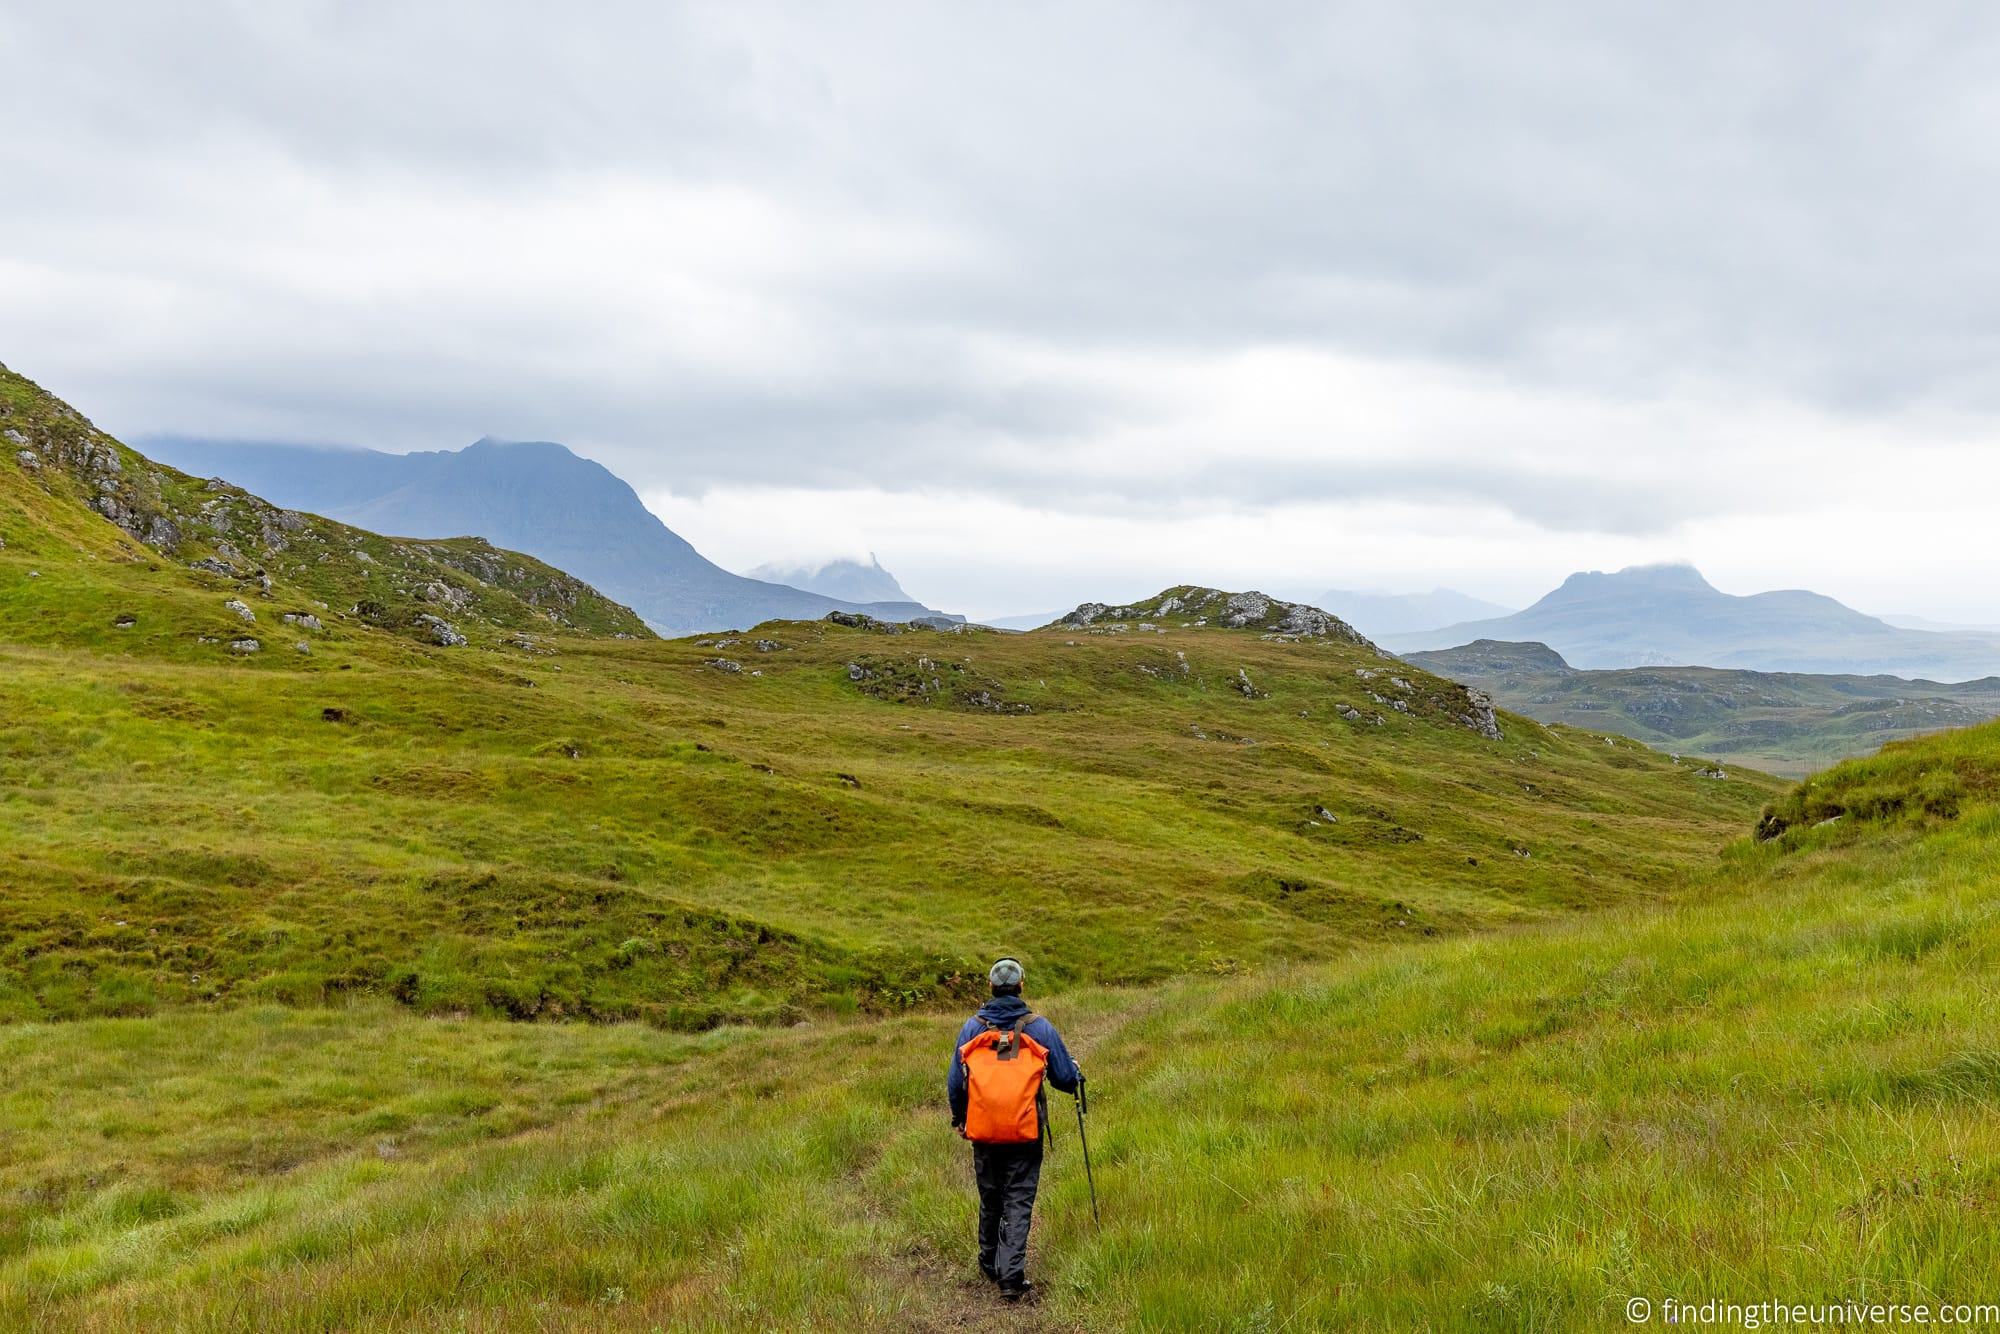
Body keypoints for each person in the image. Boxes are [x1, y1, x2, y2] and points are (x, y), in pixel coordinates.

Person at [946, 956, 1082, 1301]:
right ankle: (1011, 1277)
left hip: (984, 1129)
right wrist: (1077, 1073)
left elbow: (955, 1083)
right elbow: (1065, 1080)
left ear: (991, 987)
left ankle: (988, 1263)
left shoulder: (973, 1027)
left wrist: (961, 1119)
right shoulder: (1039, 1027)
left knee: (991, 1196)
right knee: (1018, 1198)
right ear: (1021, 985)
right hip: (1025, 1130)